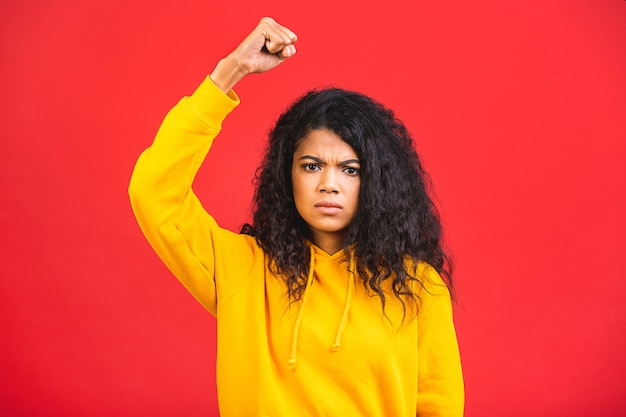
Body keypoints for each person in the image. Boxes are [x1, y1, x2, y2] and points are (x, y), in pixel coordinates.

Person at [129, 17, 464, 417]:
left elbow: (439, 406)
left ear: (376, 181)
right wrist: (229, 72)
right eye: (311, 166)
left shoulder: (417, 286)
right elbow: (153, 192)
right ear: (286, 177)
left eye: (350, 169)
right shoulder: (244, 270)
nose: (329, 184)